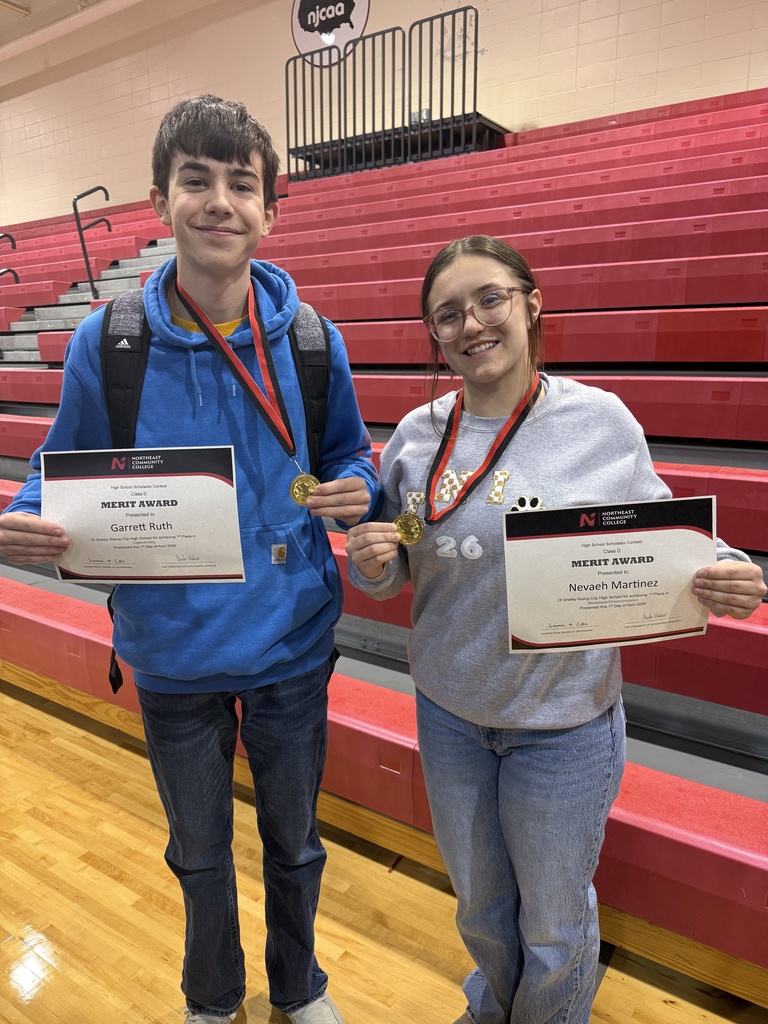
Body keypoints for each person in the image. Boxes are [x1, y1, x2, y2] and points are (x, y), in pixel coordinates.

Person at [0, 95, 381, 1024]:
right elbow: (64, 464)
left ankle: (300, 987)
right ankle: (213, 997)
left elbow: (352, 456)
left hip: (292, 647)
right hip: (171, 656)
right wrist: (24, 515)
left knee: (295, 845)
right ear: (160, 200)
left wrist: (360, 489)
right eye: (197, 182)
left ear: (271, 207)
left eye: (241, 185)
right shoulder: (111, 340)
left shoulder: (309, 337)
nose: (220, 202)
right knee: (199, 852)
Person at [345, 235, 766, 1024]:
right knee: (478, 909)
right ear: (433, 334)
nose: (471, 323)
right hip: (451, 716)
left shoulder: (599, 420)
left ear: (531, 303)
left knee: (553, 925)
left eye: (489, 299)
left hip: (564, 727)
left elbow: (659, 527)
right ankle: (493, 1008)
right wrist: (369, 561)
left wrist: (727, 568)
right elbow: (393, 568)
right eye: (447, 314)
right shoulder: (414, 435)